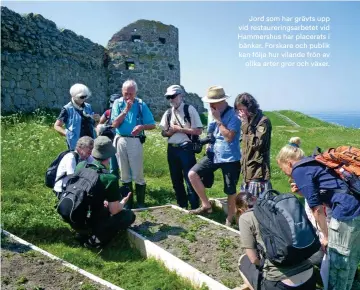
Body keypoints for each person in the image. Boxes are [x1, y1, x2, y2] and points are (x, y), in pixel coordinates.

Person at [277, 137, 360, 290]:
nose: (287, 175)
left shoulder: (298, 170)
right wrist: (303, 192)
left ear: (288, 163)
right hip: (356, 210)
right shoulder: (313, 161)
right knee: (351, 260)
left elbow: (317, 209)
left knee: (338, 263)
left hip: (345, 214)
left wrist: (326, 236)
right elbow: (328, 190)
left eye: (284, 170)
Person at [236, 191, 317, 290]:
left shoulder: (246, 217)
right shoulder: (276, 208)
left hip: (279, 284)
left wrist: (264, 263)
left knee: (243, 261)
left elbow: (254, 259)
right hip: (309, 275)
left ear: (240, 209)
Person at [188, 85, 241, 226]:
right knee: (193, 174)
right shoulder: (213, 112)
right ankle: (206, 205)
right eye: (209, 102)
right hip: (214, 154)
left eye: (213, 101)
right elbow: (211, 132)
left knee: (230, 189)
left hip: (230, 157)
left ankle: (230, 218)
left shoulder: (234, 115)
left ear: (222, 101)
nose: (210, 104)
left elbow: (229, 137)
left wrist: (218, 120)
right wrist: (207, 142)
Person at [76, 136, 136, 248]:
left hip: (77, 212)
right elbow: (114, 210)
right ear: (109, 155)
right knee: (128, 215)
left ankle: (82, 232)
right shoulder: (110, 178)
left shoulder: (81, 165)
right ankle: (97, 239)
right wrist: (123, 202)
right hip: (94, 216)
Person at [111, 80, 156, 208]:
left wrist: (142, 127)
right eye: (126, 94)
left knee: (137, 173)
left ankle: (141, 203)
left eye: (131, 94)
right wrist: (126, 110)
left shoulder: (141, 104)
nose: (128, 97)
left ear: (136, 93)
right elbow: (114, 124)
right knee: (124, 173)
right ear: (122, 92)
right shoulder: (117, 103)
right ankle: (127, 203)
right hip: (120, 139)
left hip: (135, 140)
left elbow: (152, 124)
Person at [159, 85, 203, 209]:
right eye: (168, 97)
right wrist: (171, 132)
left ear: (180, 96)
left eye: (172, 96)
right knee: (175, 178)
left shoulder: (190, 110)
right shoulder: (168, 113)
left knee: (189, 178)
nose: (170, 99)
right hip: (172, 149)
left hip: (186, 148)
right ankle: (181, 205)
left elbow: (198, 131)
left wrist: (180, 129)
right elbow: (163, 133)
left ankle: (194, 206)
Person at [234, 93, 272, 198]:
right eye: (238, 110)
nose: (241, 113)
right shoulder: (247, 121)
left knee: (258, 207)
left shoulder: (263, 121)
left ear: (250, 107)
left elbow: (256, 144)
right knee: (246, 206)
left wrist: (246, 124)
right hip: (247, 171)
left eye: (242, 109)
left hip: (258, 172)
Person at [54, 83, 100, 150]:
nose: (84, 99)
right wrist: (67, 134)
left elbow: (93, 124)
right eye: (82, 97)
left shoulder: (88, 106)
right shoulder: (67, 109)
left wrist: (97, 120)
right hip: (76, 144)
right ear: (74, 96)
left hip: (90, 142)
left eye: (86, 96)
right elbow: (56, 125)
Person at [96, 93, 121, 178]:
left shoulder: (108, 112)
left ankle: (114, 176)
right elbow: (100, 123)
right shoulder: (109, 112)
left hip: (115, 138)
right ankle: (114, 177)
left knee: (113, 160)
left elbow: (100, 123)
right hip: (113, 138)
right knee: (113, 159)